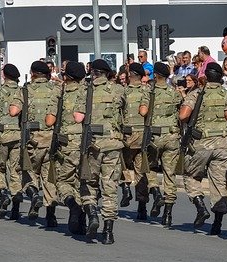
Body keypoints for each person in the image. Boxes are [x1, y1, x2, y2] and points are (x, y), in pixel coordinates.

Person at [74, 59, 125, 243]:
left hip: (93, 144)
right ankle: (109, 232)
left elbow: (78, 117)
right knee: (110, 186)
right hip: (113, 143)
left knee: (88, 183)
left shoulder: (86, 90)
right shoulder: (119, 90)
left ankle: (92, 214)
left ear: (93, 73)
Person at [179, 63, 227, 234]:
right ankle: (218, 224)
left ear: (206, 76)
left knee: (190, 174)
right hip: (223, 144)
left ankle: (200, 205)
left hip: (201, 144)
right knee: (219, 184)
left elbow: (183, 115)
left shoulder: (197, 94)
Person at [45, 61, 86, 234]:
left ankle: (72, 205)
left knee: (63, 181)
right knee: (82, 182)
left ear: (66, 76)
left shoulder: (59, 92)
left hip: (67, 143)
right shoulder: (88, 91)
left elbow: (49, 121)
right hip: (86, 143)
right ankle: (81, 218)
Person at [139, 62, 182, 227]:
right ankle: (168, 214)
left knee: (148, 167)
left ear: (155, 75)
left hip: (154, 137)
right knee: (169, 174)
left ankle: (156, 191)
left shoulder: (149, 91)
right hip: (171, 136)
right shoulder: (174, 93)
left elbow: (143, 112)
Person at [21, 60, 61, 227]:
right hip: (51, 139)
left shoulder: (26, 91)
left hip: (32, 139)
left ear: (33, 74)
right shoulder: (57, 89)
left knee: (27, 172)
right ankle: (50, 215)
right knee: (49, 176)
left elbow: (14, 111)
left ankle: (33, 195)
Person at [122, 62, 158, 220]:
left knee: (120, 163)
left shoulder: (123, 92)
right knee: (141, 171)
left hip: (127, 135)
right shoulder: (148, 91)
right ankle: (142, 207)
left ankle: (125, 188)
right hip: (142, 135)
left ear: (130, 76)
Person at [0, 64, 26, 220]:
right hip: (17, 136)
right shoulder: (22, 92)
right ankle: (16, 203)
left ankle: (3, 192)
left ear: (4, 75)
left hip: (1, 136)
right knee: (15, 170)